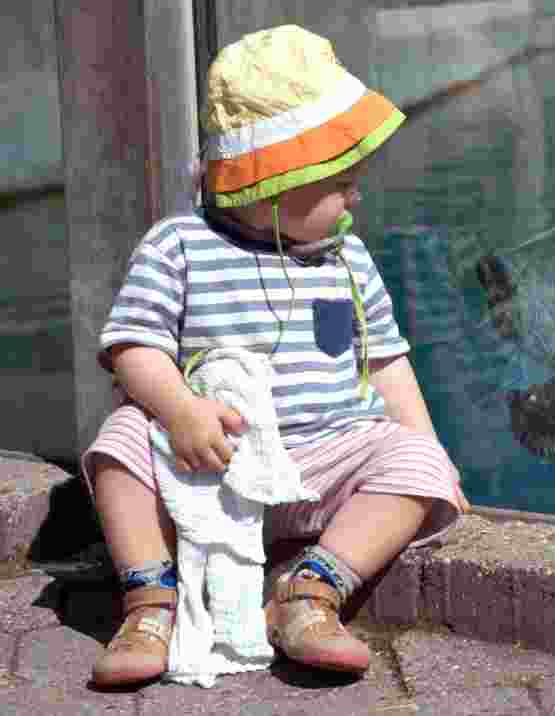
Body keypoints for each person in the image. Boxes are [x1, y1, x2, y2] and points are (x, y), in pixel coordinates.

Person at [79, 25, 470, 688]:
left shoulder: (346, 258)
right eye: (340, 183)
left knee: (419, 461)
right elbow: (132, 345)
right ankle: (150, 604)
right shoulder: (177, 247)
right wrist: (179, 411)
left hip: (323, 461)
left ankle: (309, 593)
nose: (356, 197)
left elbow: (387, 362)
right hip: (209, 462)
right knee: (120, 444)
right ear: (272, 185)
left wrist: (432, 455)